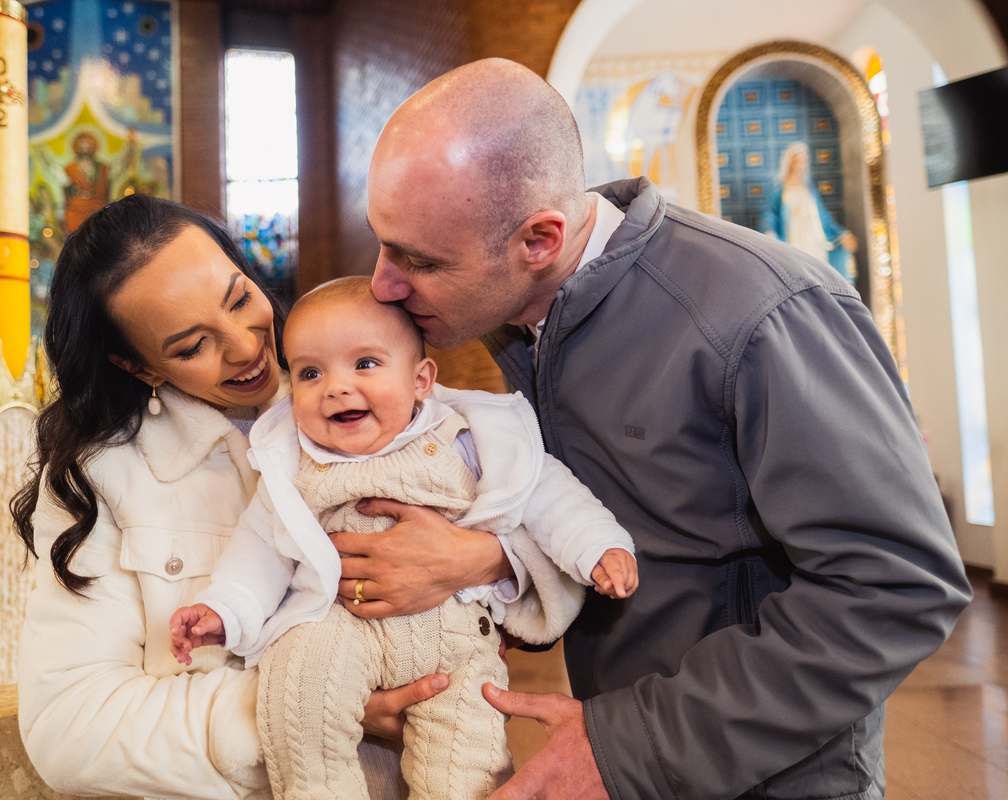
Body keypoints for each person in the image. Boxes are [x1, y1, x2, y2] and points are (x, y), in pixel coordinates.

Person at [355, 58, 971, 800]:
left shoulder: (761, 312)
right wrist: (482, 573)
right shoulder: (518, 317)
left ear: (540, 240)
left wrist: (630, 747)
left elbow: (897, 584)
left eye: (418, 261)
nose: (381, 284)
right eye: (384, 243)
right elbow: (637, 535)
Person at [11, 196, 501, 800]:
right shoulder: (103, 478)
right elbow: (69, 729)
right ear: (139, 367)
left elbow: (532, 529)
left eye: (241, 299)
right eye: (191, 346)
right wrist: (305, 705)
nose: (244, 348)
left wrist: (482, 560)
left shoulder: (365, 395)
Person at [170, 277, 638, 800]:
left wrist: (598, 545)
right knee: (297, 690)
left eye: (365, 364)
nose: (336, 387)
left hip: (453, 638)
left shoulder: (467, 437)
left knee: (466, 761)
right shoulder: (293, 464)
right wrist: (224, 610)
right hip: (336, 626)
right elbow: (258, 552)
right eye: (310, 372)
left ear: (421, 380)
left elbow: (547, 493)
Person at [760, 141, 858, 282]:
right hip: (792, 238)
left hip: (813, 238)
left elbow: (823, 217)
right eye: (796, 160)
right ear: (789, 162)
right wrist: (769, 231)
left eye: (803, 160)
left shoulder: (808, 189)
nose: (800, 164)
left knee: (818, 272)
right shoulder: (778, 189)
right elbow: (769, 215)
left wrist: (841, 234)